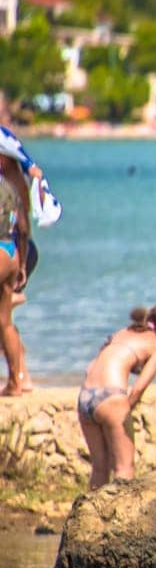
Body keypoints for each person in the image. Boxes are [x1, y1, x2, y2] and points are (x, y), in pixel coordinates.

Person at [76, 304, 156, 489]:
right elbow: (139, 388)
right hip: (112, 397)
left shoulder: (123, 332)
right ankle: (122, 517)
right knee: (124, 468)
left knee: (100, 468)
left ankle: (91, 516)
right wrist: (125, 407)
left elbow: (90, 367)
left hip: (85, 396)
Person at [0, 143, 30, 396]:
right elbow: (22, 226)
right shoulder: (9, 187)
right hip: (11, 251)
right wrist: (21, 263)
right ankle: (15, 383)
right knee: (4, 321)